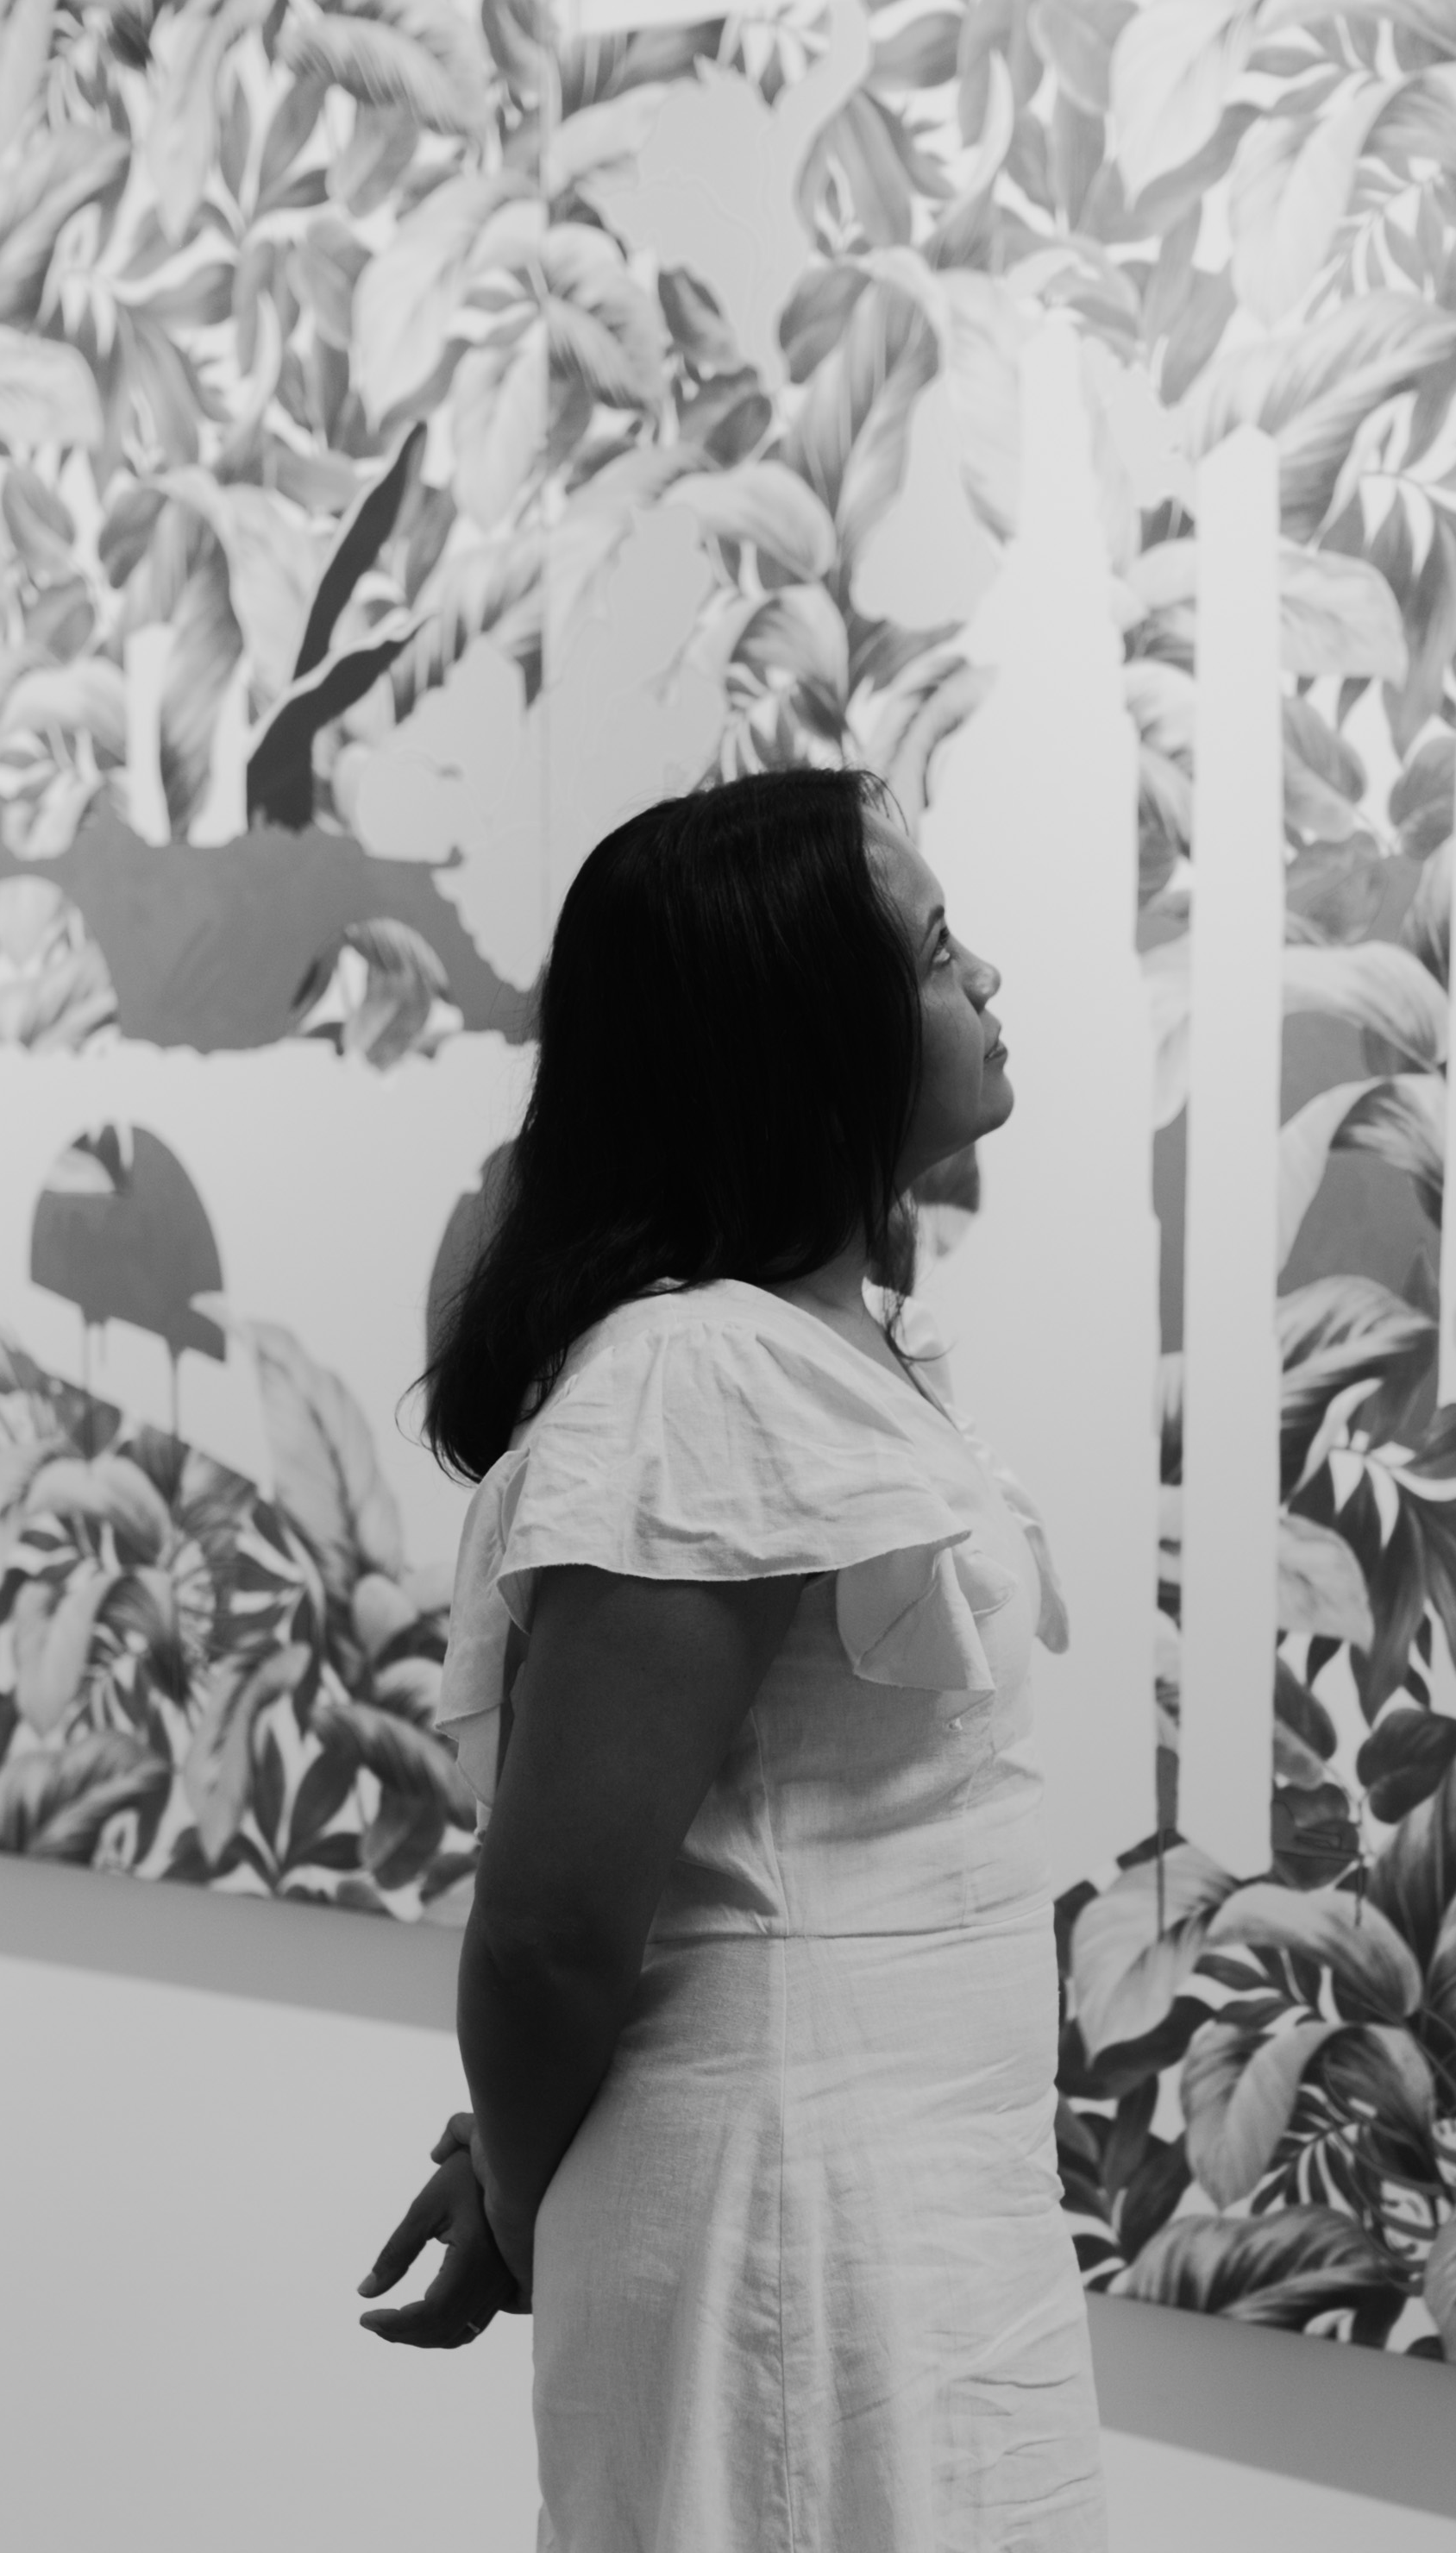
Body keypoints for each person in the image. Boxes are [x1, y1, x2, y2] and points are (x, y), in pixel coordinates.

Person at [357, 765, 1108, 2552]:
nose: (986, 973)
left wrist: (515, 2166)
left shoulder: (834, 1351)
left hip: (900, 2213)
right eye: (935, 947)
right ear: (807, 1032)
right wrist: (533, 2203)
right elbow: (547, 1934)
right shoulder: (702, 1378)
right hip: (789, 2230)